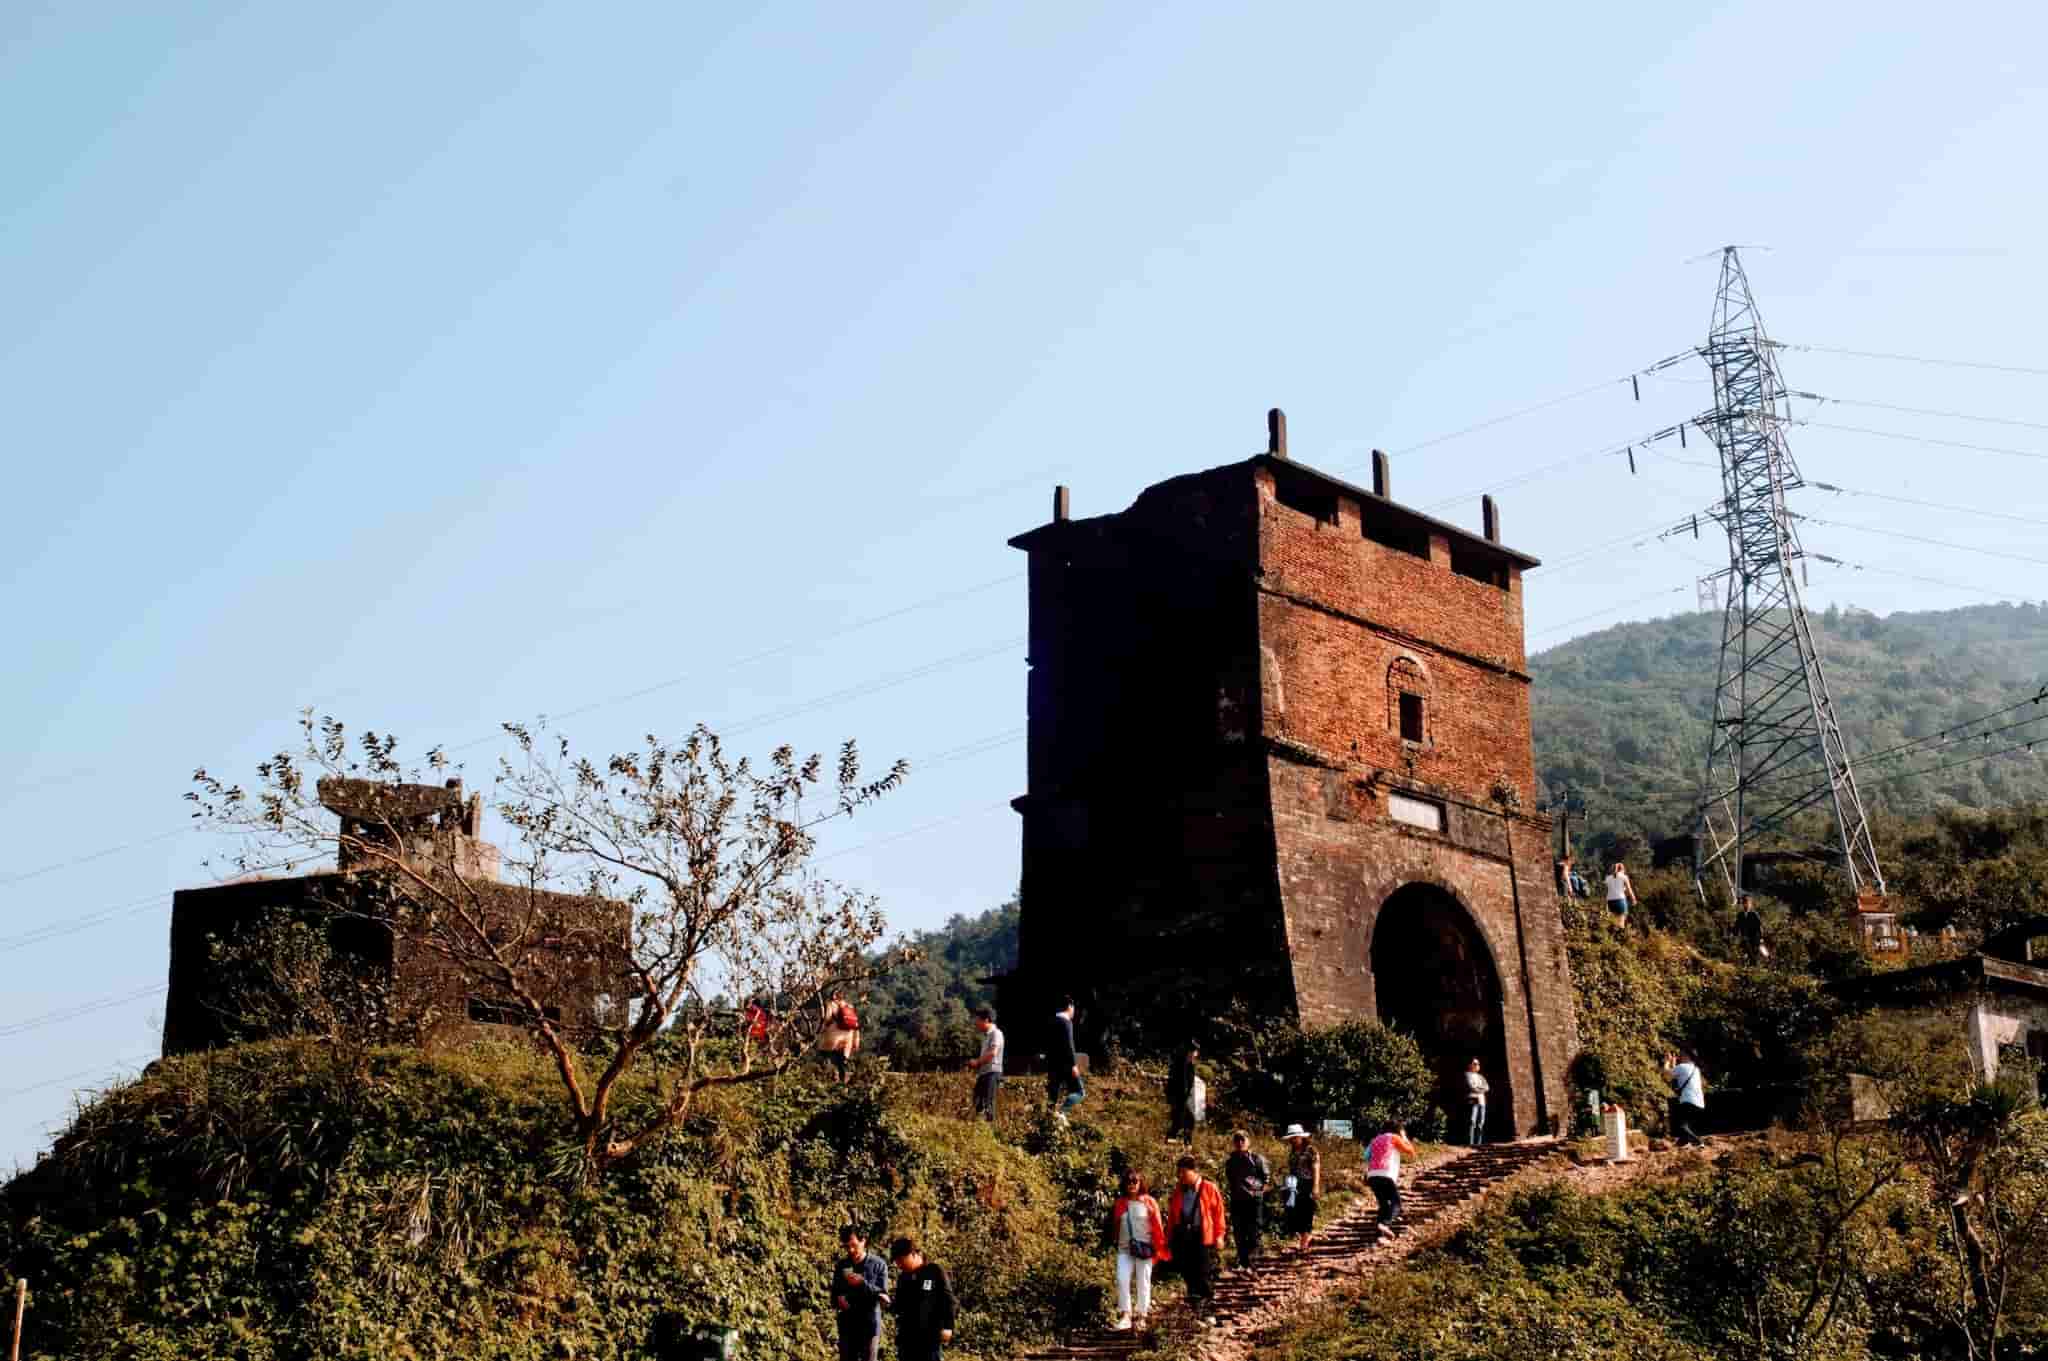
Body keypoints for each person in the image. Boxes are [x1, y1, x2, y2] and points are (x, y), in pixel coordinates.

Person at [1163, 1155, 1227, 1324]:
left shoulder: (1209, 1188)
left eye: (1184, 1173)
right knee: (1189, 1274)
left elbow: (1218, 1214)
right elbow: (1172, 1216)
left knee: (1204, 1273)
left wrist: (1220, 1236)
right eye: (1179, 1173)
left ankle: (1209, 1311)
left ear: (1194, 1171)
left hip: (1202, 1236)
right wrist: (1168, 1238)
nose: (1181, 1176)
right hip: (1183, 1236)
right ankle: (1195, 1312)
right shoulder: (1179, 1190)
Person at [1106, 1168, 1166, 1331]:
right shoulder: (1120, 1203)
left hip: (1144, 1248)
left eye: (1135, 1181)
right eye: (1128, 1182)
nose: (1131, 1185)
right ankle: (1126, 1314)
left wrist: (1158, 1247)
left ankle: (1142, 1315)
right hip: (1125, 1248)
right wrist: (1115, 1241)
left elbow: (1158, 1226)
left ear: (1141, 1183)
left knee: (1143, 1281)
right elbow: (1116, 1225)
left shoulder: (1149, 1201)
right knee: (1122, 1279)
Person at [888, 1236, 956, 1361]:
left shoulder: (934, 1271)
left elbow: (948, 1300)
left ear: (912, 1254)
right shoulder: (903, 1278)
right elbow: (899, 1305)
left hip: (930, 1337)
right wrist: (889, 1304)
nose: (899, 1265)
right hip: (907, 1338)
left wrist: (948, 1326)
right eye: (897, 1262)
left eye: (901, 1260)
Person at [829, 1226, 891, 1361]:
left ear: (863, 1241)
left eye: (854, 1245)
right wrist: (838, 1298)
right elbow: (834, 1295)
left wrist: (863, 1284)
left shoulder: (879, 1264)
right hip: (847, 1326)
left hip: (869, 1326)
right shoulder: (842, 1265)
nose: (851, 1250)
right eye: (847, 1247)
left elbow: (883, 1296)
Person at [1222, 1129, 1270, 1270]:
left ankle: (1255, 1264)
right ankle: (1244, 1264)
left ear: (1248, 1141)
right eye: (1237, 1140)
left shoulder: (1257, 1159)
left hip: (1254, 1202)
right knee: (1239, 1234)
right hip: (1237, 1201)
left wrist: (1255, 1190)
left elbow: (1266, 1180)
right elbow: (1231, 1180)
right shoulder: (1231, 1161)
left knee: (1254, 1232)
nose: (1240, 1142)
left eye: (1243, 1139)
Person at [1365, 1122, 1418, 1238]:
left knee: (1383, 1204)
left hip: (1372, 1175)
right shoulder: (1394, 1138)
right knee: (1397, 1203)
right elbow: (1411, 1151)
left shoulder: (1375, 1140)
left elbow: (1366, 1156)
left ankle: (1379, 1233)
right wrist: (1404, 1137)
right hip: (1386, 1173)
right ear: (1398, 1131)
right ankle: (1385, 1224)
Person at [1280, 1124, 1320, 1254]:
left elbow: (1316, 1169)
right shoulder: (1292, 1152)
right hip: (1294, 1185)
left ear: (1301, 1137)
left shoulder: (1311, 1150)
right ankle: (1305, 1237)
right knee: (1295, 1212)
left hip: (1308, 1184)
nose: (1293, 1140)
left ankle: (1304, 1243)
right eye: (1291, 1138)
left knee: (1307, 1212)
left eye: (1295, 1137)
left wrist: (1315, 1186)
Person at [1047, 996, 1083, 1123]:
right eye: (1074, 1008)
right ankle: (1062, 1113)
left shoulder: (1051, 1021)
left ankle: (1048, 1120)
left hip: (1052, 1065)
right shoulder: (1066, 1022)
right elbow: (1069, 1045)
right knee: (1079, 1092)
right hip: (1066, 1065)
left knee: (1053, 1095)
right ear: (1070, 1006)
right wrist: (1073, 1065)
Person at [966, 1008, 1004, 1121]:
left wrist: (977, 1062)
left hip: (992, 1072)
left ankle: (989, 1130)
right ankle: (979, 1128)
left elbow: (993, 1053)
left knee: (988, 1103)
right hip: (984, 1072)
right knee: (978, 1102)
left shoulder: (996, 1034)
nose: (976, 1023)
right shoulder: (986, 1036)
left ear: (986, 1020)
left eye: (977, 1020)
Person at [1666, 1049, 1706, 1146]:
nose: (1680, 1057)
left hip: (1688, 1101)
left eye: (1682, 1055)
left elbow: (1667, 1074)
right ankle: (1682, 1143)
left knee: (1680, 1125)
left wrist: (1667, 1062)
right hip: (1699, 1103)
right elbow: (1676, 1075)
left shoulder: (1682, 1067)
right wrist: (1674, 1063)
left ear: (1688, 1056)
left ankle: (1698, 1142)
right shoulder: (1696, 1069)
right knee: (1685, 1125)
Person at [818, 993, 861, 1084]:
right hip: (848, 1036)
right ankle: (843, 1082)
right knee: (842, 1061)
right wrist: (856, 1040)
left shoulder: (831, 1004)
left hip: (834, 1036)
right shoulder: (849, 1006)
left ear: (833, 996)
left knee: (825, 1056)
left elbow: (827, 1019)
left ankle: (827, 1080)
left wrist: (821, 1031)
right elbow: (855, 1024)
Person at [1166, 1041, 1201, 1145]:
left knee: (1189, 1120)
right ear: (1189, 1052)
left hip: (1187, 1096)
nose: (1195, 1055)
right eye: (1194, 1052)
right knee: (1178, 1118)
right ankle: (1172, 1138)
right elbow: (1173, 1082)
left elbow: (1190, 1082)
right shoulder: (1179, 1065)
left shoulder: (1190, 1065)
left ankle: (1187, 1142)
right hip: (1178, 1096)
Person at [1604, 861, 1638, 929]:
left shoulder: (1608, 878)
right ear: (1622, 869)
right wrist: (1633, 899)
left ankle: (1611, 937)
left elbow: (1611, 889)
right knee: (1621, 923)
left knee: (1613, 922)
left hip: (1610, 902)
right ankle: (1620, 936)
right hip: (1620, 901)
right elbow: (1629, 889)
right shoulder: (1624, 877)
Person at [1465, 1058, 1490, 1147]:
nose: (1477, 1065)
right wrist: (1481, 1088)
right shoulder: (1467, 1075)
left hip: (1482, 1101)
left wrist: (1479, 1088)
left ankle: (1479, 1143)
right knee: (1472, 1121)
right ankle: (1471, 1143)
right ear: (1470, 1065)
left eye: (1478, 1064)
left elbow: (1487, 1087)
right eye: (1475, 1063)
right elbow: (1471, 1087)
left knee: (1481, 1123)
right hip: (1473, 1100)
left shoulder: (1480, 1076)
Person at [1734, 895, 1765, 962]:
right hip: (1744, 938)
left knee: (1756, 954)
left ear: (1750, 904)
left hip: (1754, 938)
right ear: (1742, 904)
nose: (1746, 905)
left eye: (1747, 903)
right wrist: (1735, 935)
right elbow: (1737, 926)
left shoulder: (1754, 914)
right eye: (1744, 903)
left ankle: (1760, 963)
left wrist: (1761, 938)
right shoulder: (1740, 915)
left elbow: (1759, 927)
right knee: (1744, 953)